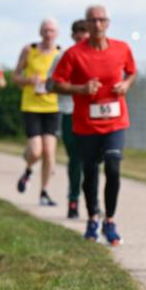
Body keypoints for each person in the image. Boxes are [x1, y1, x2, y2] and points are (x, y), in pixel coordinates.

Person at [51, 5, 136, 246]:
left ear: (107, 23)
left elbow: (131, 72)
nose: (97, 25)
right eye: (93, 21)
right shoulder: (73, 54)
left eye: (102, 20)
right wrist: (81, 89)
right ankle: (91, 218)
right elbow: (55, 84)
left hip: (116, 121)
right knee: (90, 173)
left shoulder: (122, 48)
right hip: (86, 124)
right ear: (86, 25)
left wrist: (126, 85)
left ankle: (109, 220)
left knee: (113, 167)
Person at [13, 19, 61, 206]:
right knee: (36, 151)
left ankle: (44, 192)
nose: (48, 34)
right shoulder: (29, 50)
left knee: (49, 151)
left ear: (56, 34)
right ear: (40, 32)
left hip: (52, 106)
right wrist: (27, 80)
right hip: (32, 106)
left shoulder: (60, 54)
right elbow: (15, 76)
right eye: (45, 30)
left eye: (52, 31)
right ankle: (28, 170)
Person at [47, 19, 92, 219]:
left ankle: (93, 203)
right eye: (79, 33)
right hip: (69, 111)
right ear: (73, 35)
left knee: (92, 161)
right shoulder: (64, 57)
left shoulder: (98, 56)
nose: (83, 36)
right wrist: (75, 88)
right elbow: (51, 84)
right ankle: (73, 199)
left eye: (86, 32)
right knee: (76, 159)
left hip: (94, 113)